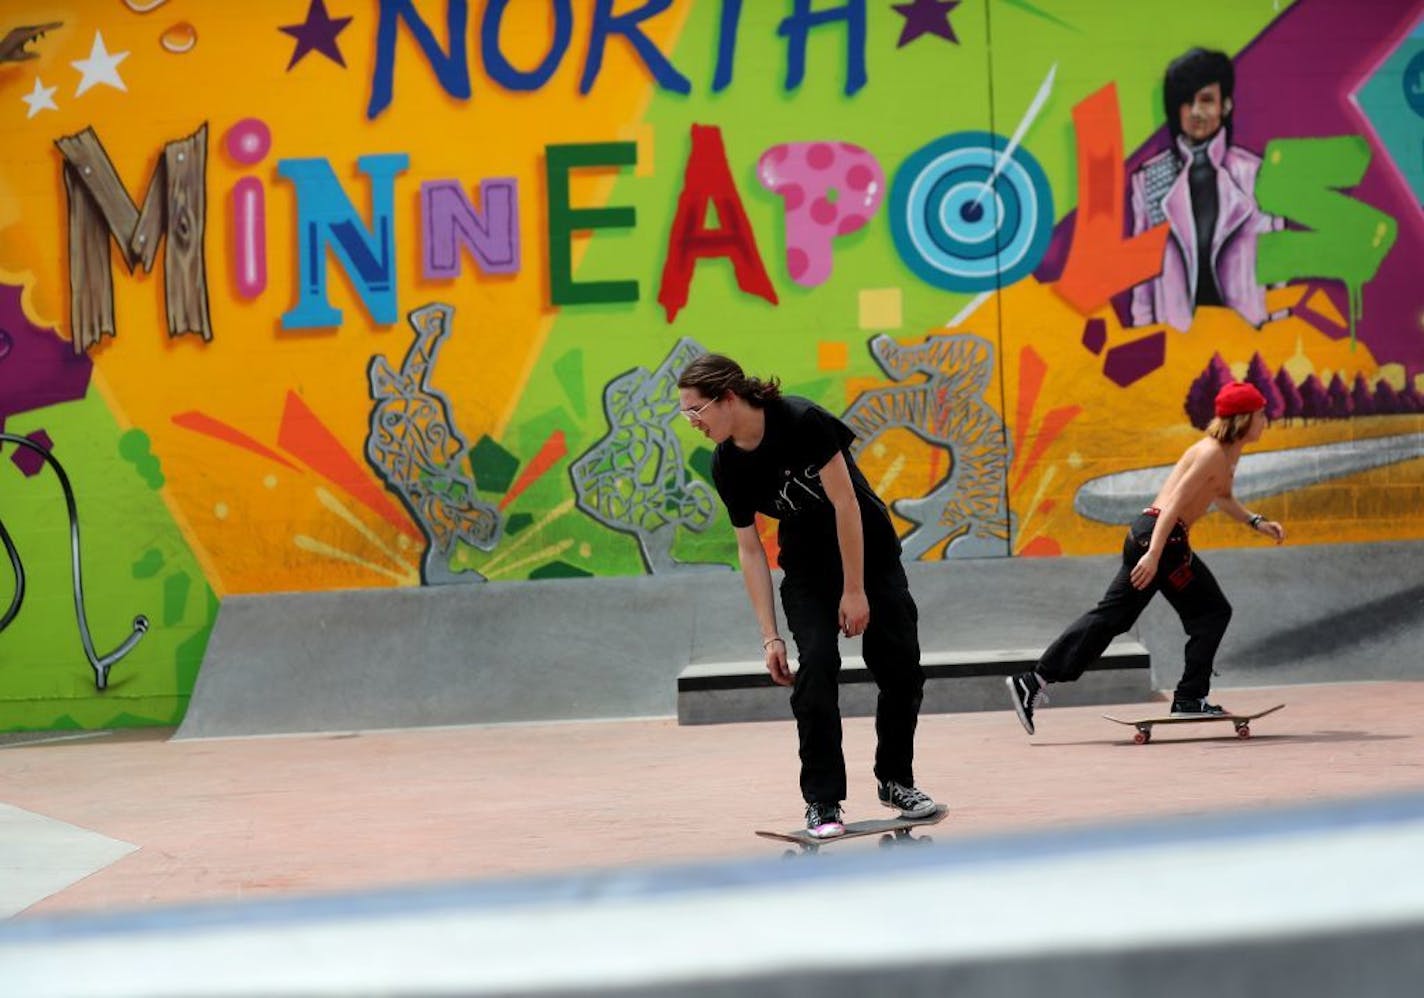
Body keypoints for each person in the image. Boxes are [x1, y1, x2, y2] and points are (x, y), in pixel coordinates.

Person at [677, 354, 938, 838]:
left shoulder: (802, 421)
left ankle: (897, 780)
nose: (691, 422)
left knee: (902, 671)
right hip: (808, 574)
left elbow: (846, 504)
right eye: (685, 414)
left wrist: (856, 589)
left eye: (696, 410)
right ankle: (822, 801)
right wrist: (769, 637)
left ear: (728, 397)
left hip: (869, 559)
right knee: (815, 667)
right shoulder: (727, 462)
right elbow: (749, 549)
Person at [1006, 381, 1286, 734]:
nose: (1267, 420)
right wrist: (1154, 554)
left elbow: (1223, 497)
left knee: (1112, 617)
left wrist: (1257, 522)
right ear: (1244, 419)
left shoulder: (1227, 453)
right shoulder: (1211, 453)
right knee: (1211, 611)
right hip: (1162, 539)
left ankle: (1035, 680)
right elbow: (1171, 505)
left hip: (1154, 537)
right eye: (1262, 414)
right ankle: (1189, 698)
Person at [1129, 48, 1282, 333]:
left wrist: (1277, 340)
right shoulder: (1151, 180)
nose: (1196, 112)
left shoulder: (1256, 177)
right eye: (1187, 102)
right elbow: (1143, 281)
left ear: (1225, 105)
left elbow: (1277, 272)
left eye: (1207, 100)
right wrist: (1144, 340)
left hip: (1247, 341)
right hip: (1179, 346)